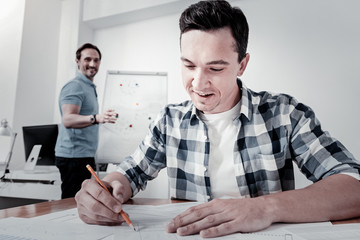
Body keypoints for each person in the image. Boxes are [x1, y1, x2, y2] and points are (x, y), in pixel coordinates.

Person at [75, 1, 360, 238]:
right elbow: (129, 174)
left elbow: (353, 185)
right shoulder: (170, 121)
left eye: (215, 68)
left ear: (242, 65)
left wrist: (263, 208)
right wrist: (108, 188)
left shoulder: (284, 114)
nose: (198, 83)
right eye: (188, 65)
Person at [55, 43, 118, 199]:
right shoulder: (75, 86)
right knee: (71, 204)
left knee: (82, 202)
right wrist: (96, 118)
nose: (92, 64)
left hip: (83, 156)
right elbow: (68, 119)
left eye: (96, 60)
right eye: (87, 59)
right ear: (77, 61)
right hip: (73, 157)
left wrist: (101, 117)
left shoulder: (89, 86)